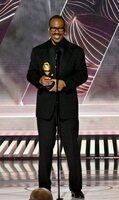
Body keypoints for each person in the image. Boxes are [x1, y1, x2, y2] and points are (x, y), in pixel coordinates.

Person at [27, 15, 88, 199]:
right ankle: (44, 190)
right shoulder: (38, 51)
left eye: (60, 28)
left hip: (67, 108)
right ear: (49, 30)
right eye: (53, 28)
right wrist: (39, 79)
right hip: (45, 108)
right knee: (45, 150)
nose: (56, 31)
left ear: (65, 29)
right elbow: (30, 73)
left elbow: (82, 75)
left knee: (71, 150)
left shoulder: (75, 51)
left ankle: (76, 189)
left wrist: (65, 83)